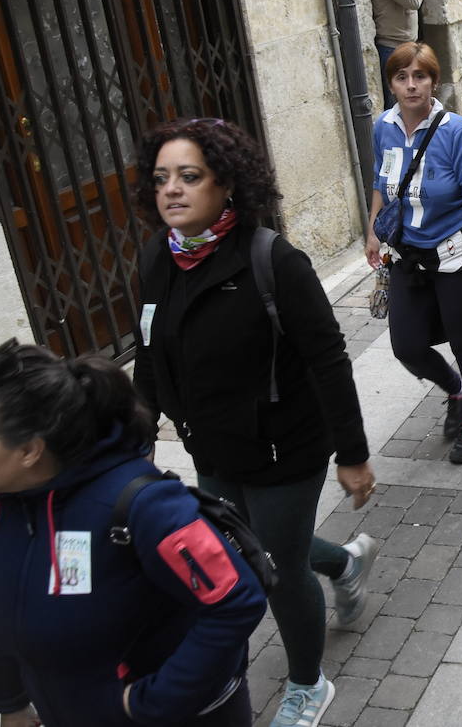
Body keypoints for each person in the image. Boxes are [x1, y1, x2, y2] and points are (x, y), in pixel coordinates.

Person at [131, 119, 377, 727]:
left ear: (228, 185)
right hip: (212, 447)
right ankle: (344, 564)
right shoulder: (157, 261)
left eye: (190, 177)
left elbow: (328, 358)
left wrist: (352, 453)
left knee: (274, 567)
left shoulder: (273, 260)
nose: (173, 191)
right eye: (162, 179)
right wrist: (134, 443)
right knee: (252, 544)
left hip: (285, 444)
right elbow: (150, 355)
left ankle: (307, 684)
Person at [0, 341, 268, 727]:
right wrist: (10, 702)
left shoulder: (144, 506)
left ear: (29, 451)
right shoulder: (5, 502)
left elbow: (236, 600)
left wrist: (151, 702)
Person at [364, 42, 462, 462]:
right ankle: (455, 390)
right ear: (390, 83)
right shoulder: (383, 126)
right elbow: (380, 179)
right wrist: (373, 230)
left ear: (433, 81)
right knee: (406, 344)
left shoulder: (456, 131)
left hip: (455, 253)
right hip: (407, 253)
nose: (411, 86)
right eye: (401, 77)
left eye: (419, 76)